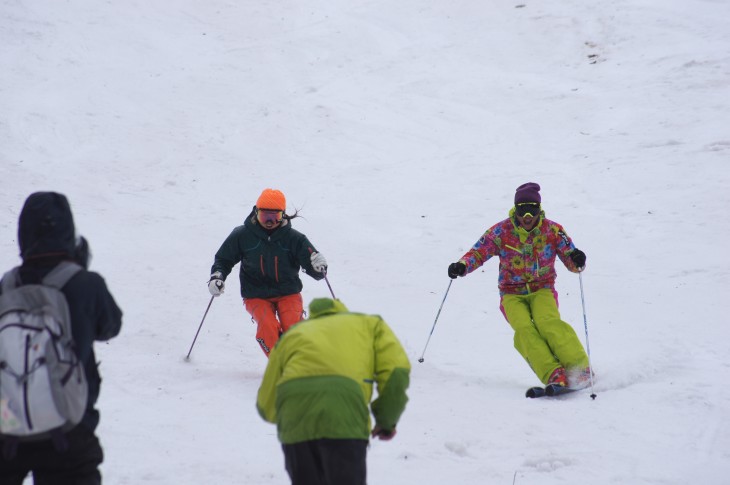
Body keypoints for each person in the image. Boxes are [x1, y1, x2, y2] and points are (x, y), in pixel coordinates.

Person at [0, 191, 123, 485]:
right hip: (68, 429)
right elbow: (110, 326)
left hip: (7, 428)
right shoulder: (84, 283)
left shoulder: (6, 285)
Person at [447, 182, 591, 389]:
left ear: (539, 209)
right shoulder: (501, 231)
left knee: (547, 322)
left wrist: (577, 259)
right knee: (524, 330)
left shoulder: (553, 230)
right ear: (516, 209)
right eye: (522, 209)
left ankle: (580, 368)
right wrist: (462, 266)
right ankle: (553, 373)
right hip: (511, 293)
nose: (527, 216)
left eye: (532, 209)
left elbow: (572, 261)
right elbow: (479, 251)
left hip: (542, 289)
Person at [257, 297, 410, 485]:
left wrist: (293, 418)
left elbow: (266, 403)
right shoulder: (369, 324)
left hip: (296, 423)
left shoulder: (293, 335)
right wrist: (386, 420)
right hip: (344, 418)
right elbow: (396, 373)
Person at [208, 188, 328, 356]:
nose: (270, 222)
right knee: (267, 325)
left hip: (288, 292)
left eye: (275, 217)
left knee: (292, 325)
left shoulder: (295, 239)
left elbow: (315, 269)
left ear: (283, 215)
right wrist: (217, 277)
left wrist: (319, 267)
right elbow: (223, 259)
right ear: (256, 213)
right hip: (256, 293)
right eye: (265, 216)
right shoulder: (242, 235)